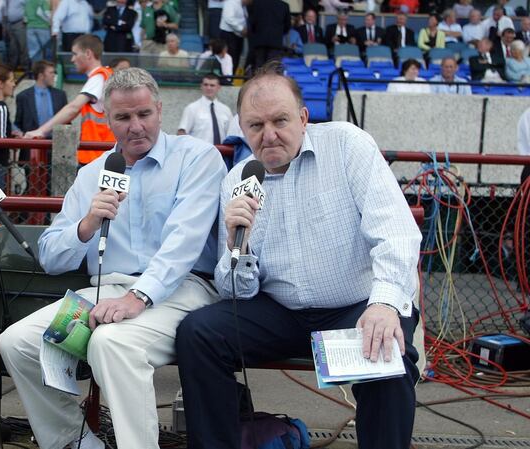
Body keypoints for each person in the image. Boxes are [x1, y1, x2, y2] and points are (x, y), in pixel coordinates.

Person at [176, 60, 422, 449]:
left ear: (304, 117)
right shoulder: (238, 178)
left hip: (355, 303)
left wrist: (386, 303)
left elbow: (395, 232)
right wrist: (235, 245)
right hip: (281, 311)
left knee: (388, 351)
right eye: (256, 126)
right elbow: (234, 291)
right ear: (242, 128)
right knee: (198, 333)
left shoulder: (347, 145)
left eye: (280, 121)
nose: (269, 135)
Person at [0, 67, 226, 449]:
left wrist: (137, 298)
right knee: (17, 342)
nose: (136, 126)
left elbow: (184, 243)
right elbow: (52, 256)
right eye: (123, 117)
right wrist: (86, 225)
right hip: (107, 292)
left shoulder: (197, 158)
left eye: (144, 114)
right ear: (106, 118)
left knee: (111, 342)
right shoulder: (93, 174)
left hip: (183, 289)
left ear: (159, 109)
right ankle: (77, 442)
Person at [24, 34, 115, 165]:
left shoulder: (98, 77)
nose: (72, 59)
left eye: (75, 54)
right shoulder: (106, 75)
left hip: (97, 156)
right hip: (101, 155)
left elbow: (73, 108)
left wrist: (41, 131)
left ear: (88, 53)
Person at [15, 59, 67, 136]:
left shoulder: (60, 95)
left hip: (56, 144)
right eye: (51, 73)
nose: (54, 75)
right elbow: (18, 123)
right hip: (32, 144)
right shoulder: (23, 97)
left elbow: (67, 122)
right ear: (41, 76)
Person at [177, 73, 233, 145]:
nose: (208, 88)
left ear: (219, 87)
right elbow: (181, 133)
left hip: (222, 154)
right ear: (201, 86)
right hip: (198, 153)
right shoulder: (192, 108)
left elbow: (232, 134)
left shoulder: (226, 110)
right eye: (206, 85)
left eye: (212, 85)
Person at [246, 0, 289, 69]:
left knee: (259, 68)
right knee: (272, 68)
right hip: (275, 42)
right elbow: (287, 26)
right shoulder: (284, 5)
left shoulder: (256, 3)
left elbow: (251, 23)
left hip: (259, 41)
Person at [219, 0, 245, 73]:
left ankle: (231, 78)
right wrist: (241, 29)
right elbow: (228, 18)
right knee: (229, 59)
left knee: (236, 59)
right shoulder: (231, 2)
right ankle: (226, 79)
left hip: (238, 35)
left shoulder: (244, 6)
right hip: (228, 34)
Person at [6, 0, 30, 69]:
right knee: (13, 47)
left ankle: (25, 67)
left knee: (23, 46)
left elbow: (28, 8)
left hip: (20, 23)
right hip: (10, 24)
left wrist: (25, 19)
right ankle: (13, 66)